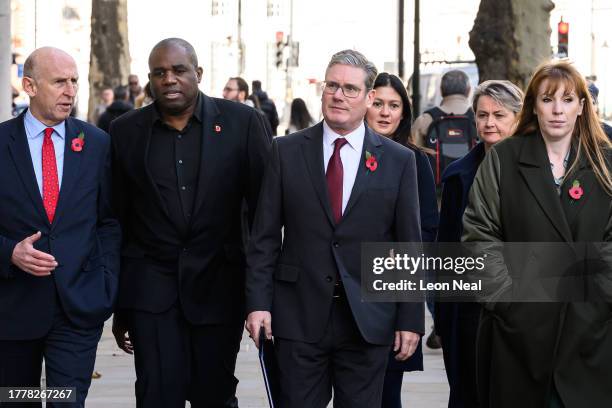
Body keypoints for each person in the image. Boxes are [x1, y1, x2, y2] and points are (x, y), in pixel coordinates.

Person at [245, 50, 424, 408]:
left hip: (368, 319)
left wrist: (411, 319)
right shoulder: (285, 151)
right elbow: (263, 237)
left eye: (350, 89)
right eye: (332, 85)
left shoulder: (398, 160)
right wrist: (258, 303)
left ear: (369, 97)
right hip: (298, 316)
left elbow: (408, 246)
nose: (338, 95)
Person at [110, 38, 270, 408]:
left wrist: (261, 297)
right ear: (150, 79)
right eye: (159, 72)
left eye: (179, 70)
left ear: (197, 73)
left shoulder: (242, 123)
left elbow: (266, 213)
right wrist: (122, 306)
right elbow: (118, 219)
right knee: (156, 394)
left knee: (213, 395)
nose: (169, 79)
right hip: (153, 293)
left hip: (221, 289)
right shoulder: (125, 131)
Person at [463, 61, 612, 407]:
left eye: (567, 99)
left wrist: (597, 305)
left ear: (581, 107)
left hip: (590, 332)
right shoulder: (503, 159)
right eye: (547, 99)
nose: (557, 110)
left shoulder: (605, 163)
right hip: (518, 335)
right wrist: (507, 301)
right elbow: (479, 235)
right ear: (533, 105)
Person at [0, 47, 121, 407]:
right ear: (29, 86)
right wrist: (9, 252)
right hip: (12, 310)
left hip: (77, 307)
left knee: (65, 401)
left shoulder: (96, 143)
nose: (70, 91)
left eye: (74, 81)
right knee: (14, 400)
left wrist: (106, 282)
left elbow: (109, 220)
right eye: (59, 82)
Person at [436, 80, 523, 408]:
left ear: (517, 118)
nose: (489, 123)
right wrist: (444, 320)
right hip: (469, 309)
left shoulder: (540, 173)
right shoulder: (459, 175)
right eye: (482, 114)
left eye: (499, 115)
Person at [365, 72, 438, 408]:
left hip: (390, 292)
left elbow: (423, 234)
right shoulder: (342, 152)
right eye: (378, 103)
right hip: (338, 293)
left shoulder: (416, 160)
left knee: (386, 393)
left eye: (393, 105)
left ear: (403, 112)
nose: (385, 112)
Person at [411, 69, 473, 147]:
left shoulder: (425, 120)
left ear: (441, 90)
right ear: (469, 90)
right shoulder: (480, 118)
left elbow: (413, 154)